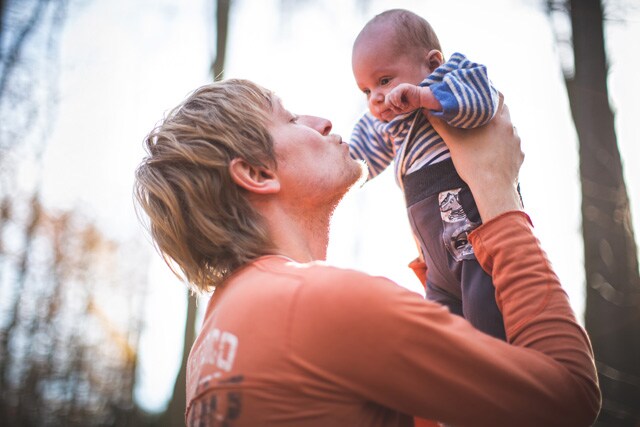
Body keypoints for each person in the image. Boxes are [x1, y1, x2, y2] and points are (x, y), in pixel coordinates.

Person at [133, 78, 600, 426]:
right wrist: (496, 191)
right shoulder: (321, 305)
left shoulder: (213, 342)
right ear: (257, 174)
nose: (324, 123)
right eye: (291, 119)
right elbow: (569, 397)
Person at [350, 9, 507, 340]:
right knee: (441, 338)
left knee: (486, 325)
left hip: (473, 244)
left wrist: (426, 97)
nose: (376, 98)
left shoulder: (454, 79)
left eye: (383, 81)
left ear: (433, 64)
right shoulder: (390, 122)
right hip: (434, 262)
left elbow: (483, 101)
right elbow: (356, 158)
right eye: (366, 91)